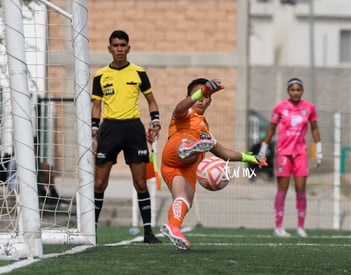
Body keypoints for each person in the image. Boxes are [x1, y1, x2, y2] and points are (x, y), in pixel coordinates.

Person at [159, 78, 267, 250]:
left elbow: (223, 153)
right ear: (189, 96)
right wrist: (200, 92)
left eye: (207, 95)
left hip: (183, 168)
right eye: (199, 95)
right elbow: (178, 108)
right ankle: (189, 148)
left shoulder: (206, 131)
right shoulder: (185, 114)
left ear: (210, 101)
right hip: (174, 152)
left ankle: (173, 227)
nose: (202, 99)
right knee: (186, 140)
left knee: (184, 199)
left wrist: (250, 158)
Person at [91, 30, 161, 244]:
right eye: (115, 45)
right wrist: (94, 132)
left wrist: (155, 121)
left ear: (128, 48)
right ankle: (91, 232)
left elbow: (151, 100)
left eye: (123, 45)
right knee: (100, 183)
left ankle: (148, 232)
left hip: (133, 129)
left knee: (141, 182)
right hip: (109, 129)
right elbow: (96, 105)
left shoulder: (139, 72)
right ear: (109, 48)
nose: (119, 49)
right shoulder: (100, 75)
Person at [258, 78, 322, 238]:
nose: (295, 92)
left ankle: (301, 227)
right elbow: (271, 128)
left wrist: (318, 149)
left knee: (301, 189)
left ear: (302, 91)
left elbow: (314, 128)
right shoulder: (280, 108)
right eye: (292, 89)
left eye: (298, 90)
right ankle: (278, 227)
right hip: (283, 154)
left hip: (300, 153)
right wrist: (263, 149)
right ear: (288, 91)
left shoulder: (309, 108)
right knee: (282, 189)